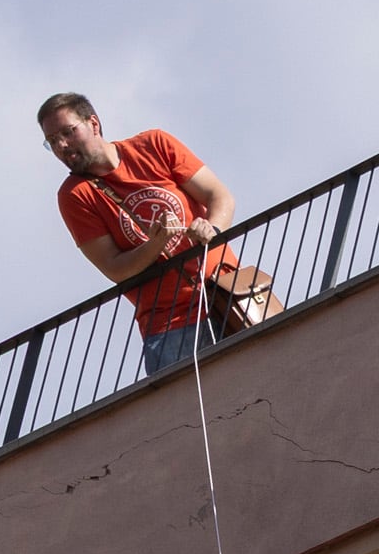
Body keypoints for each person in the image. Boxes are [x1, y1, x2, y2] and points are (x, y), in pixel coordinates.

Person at [40, 94, 252, 378]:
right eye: (52, 141)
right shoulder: (75, 196)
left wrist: (211, 228)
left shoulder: (154, 144)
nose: (62, 145)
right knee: (186, 416)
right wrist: (156, 244)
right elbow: (115, 268)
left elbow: (219, 196)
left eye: (68, 132)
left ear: (93, 123)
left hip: (230, 293)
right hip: (171, 323)